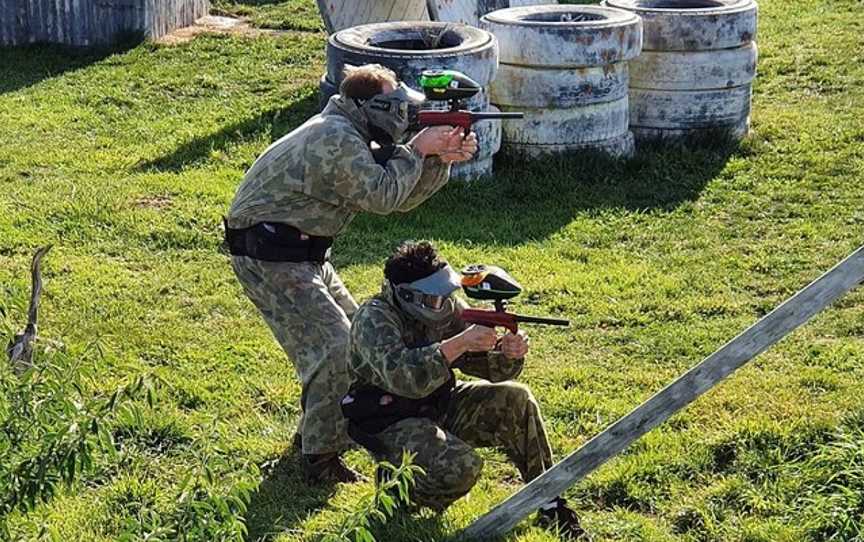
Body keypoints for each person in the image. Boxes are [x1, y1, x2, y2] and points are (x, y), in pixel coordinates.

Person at [224, 64, 478, 484]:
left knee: (360, 346)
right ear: (371, 105)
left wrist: (437, 160)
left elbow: (398, 198)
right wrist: (417, 149)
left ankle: (315, 437)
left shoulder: (352, 131)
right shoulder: (335, 138)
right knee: (337, 352)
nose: (402, 115)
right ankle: (318, 461)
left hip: (304, 255)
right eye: (395, 106)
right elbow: (381, 196)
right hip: (270, 257)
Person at [343, 241, 589, 539]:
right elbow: (404, 378)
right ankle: (397, 488)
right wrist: (459, 343)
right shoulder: (374, 318)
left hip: (438, 403)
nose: (445, 305)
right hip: (389, 418)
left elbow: (488, 369)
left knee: (517, 399)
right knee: (461, 467)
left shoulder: (444, 309)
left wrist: (508, 353)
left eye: (448, 296)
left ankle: (549, 502)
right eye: (435, 299)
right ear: (406, 295)